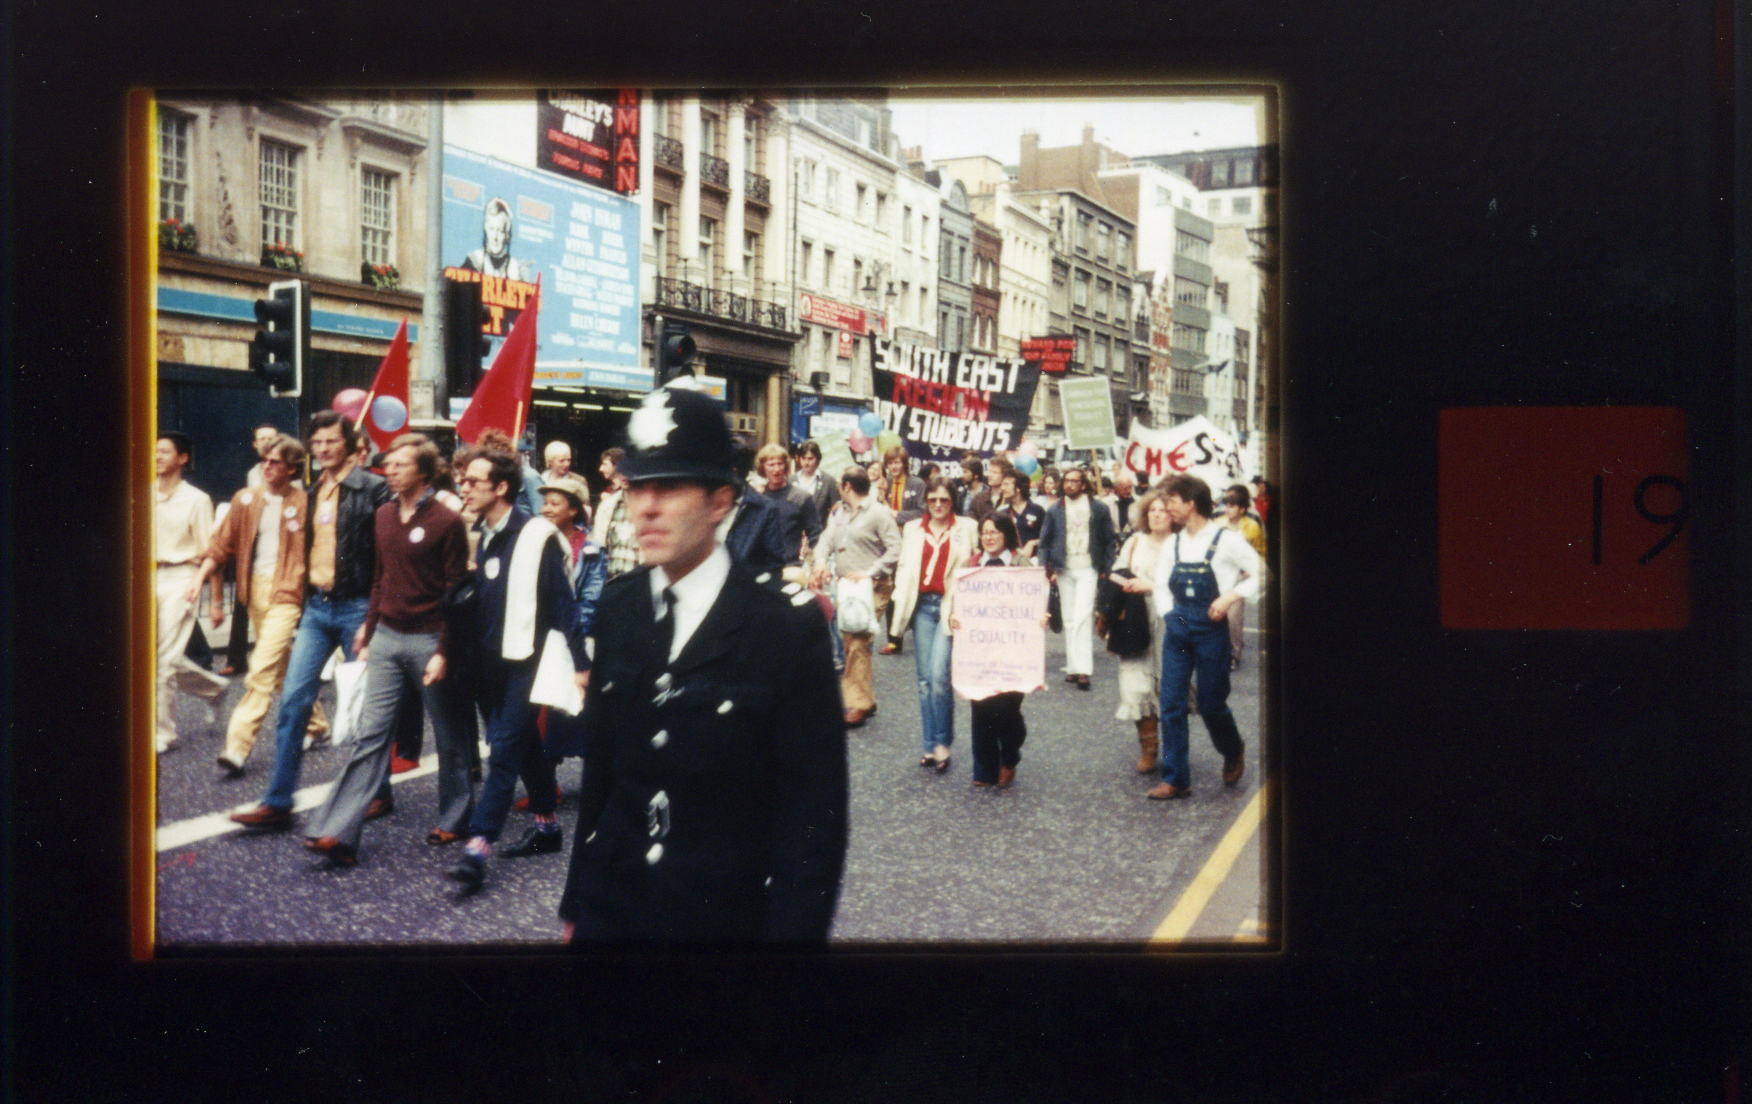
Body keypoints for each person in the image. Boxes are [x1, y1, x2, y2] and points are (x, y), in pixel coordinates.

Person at [558, 384, 847, 943]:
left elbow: (813, 822)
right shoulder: (620, 606)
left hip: (723, 923)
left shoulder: (784, 626)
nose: (646, 506)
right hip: (613, 908)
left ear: (720, 501)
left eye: (668, 487)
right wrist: (578, 901)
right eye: (636, 487)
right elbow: (604, 774)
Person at [301, 433, 473, 866]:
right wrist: (369, 626)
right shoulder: (382, 516)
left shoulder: (446, 521)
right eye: (388, 465)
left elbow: (455, 592)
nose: (390, 471)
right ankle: (337, 831)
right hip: (387, 638)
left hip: (431, 640)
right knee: (371, 735)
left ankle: (455, 817)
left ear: (424, 471)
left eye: (400, 465)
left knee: (449, 734)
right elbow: (381, 577)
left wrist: (445, 650)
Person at [230, 412, 391, 832]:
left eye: (331, 441)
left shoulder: (374, 489)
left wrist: (373, 616)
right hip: (318, 609)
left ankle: (378, 791)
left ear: (350, 445)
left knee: (364, 705)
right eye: (316, 443)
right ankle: (278, 802)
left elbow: (385, 559)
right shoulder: (313, 492)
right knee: (293, 701)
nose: (322, 449)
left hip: (358, 607)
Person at [444, 447, 591, 894]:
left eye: (474, 481)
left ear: (502, 486)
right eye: (463, 480)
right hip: (490, 661)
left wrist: (581, 665)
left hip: (529, 659)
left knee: (504, 747)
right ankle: (547, 827)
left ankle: (478, 848)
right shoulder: (484, 535)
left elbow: (564, 604)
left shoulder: (536, 535)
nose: (464, 487)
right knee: (524, 744)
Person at [184, 434, 310, 779]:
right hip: (253, 591)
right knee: (281, 665)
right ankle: (316, 723)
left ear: (292, 469)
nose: (266, 467)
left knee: (261, 668)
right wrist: (199, 581)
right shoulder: (245, 499)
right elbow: (219, 546)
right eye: (264, 460)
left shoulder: (305, 503)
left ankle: (237, 748)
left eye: (275, 462)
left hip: (287, 591)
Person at [1149, 474, 1265, 800]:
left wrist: (1230, 597)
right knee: (1171, 703)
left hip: (1212, 630)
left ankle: (1232, 748)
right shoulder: (1173, 542)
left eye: (1172, 502)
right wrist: (1171, 616)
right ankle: (1176, 778)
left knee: (1211, 704)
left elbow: (1263, 574)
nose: (1167, 508)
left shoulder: (1227, 540)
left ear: (1191, 503)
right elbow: (1161, 585)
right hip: (1178, 628)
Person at [527, 471, 608, 807]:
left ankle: (597, 784)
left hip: (572, 638)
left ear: (573, 509)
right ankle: (546, 786)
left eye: (555, 503)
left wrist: (573, 634)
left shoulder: (590, 549)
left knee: (577, 712)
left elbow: (592, 598)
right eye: (544, 502)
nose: (546, 508)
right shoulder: (536, 542)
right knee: (542, 713)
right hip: (539, 639)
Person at [888, 477, 980, 773]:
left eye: (944, 499)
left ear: (952, 501)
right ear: (925, 502)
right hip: (922, 608)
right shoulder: (913, 528)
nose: (938, 505)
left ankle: (943, 743)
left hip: (950, 607)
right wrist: (898, 602)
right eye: (932, 500)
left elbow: (975, 569)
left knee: (940, 678)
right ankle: (929, 744)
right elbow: (904, 569)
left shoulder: (967, 527)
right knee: (925, 681)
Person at [154, 432, 229, 754]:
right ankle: (214, 689)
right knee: (154, 659)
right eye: (154, 451)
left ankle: (163, 733)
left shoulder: (197, 500)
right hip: (148, 578)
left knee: (164, 660)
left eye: (164, 451)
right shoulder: (144, 495)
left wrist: (215, 600)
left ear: (183, 459)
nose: (156, 456)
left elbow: (212, 553)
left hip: (182, 578)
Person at [813, 466, 900, 728]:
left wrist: (870, 572)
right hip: (847, 588)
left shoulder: (879, 513)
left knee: (857, 642)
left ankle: (856, 704)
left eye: (841, 484)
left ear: (848, 487)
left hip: (873, 587)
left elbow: (895, 548)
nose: (839, 488)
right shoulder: (839, 512)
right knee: (851, 641)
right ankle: (865, 698)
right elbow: (826, 540)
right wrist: (820, 563)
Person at [952, 514, 1034, 789]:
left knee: (1007, 709)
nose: (989, 537)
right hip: (980, 649)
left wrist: (1040, 618)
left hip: (1014, 650)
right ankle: (985, 769)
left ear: (1006, 534)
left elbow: (1036, 601)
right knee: (981, 706)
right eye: (985, 532)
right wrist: (955, 617)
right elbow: (958, 600)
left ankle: (1009, 756)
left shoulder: (1022, 564)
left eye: (994, 532)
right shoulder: (971, 565)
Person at [1108, 490, 1173, 775]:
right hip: (1135, 618)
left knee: (1170, 683)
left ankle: (1174, 749)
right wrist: (1123, 585)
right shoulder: (1135, 541)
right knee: (1135, 683)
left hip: (1170, 621)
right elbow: (1116, 573)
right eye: (1152, 510)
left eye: (1163, 510)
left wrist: (1154, 586)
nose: (1156, 515)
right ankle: (1148, 747)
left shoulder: (1181, 544)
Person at [1038, 466, 1117, 691]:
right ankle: (1073, 667)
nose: (1069, 485)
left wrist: (1106, 566)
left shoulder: (1098, 508)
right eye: (1067, 481)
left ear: (1083, 485)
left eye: (1074, 481)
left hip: (1088, 568)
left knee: (1083, 616)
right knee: (1070, 618)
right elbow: (1045, 541)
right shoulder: (1055, 509)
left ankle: (1084, 670)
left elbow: (1109, 539)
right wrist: (1045, 567)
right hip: (1064, 568)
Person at [875, 447, 925, 655]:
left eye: (897, 462)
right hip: (888, 544)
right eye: (890, 463)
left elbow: (923, 511)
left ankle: (914, 627)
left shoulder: (917, 484)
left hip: (911, 542)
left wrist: (897, 515)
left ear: (904, 463)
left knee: (909, 587)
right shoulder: (883, 484)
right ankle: (894, 639)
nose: (894, 467)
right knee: (892, 589)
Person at [1216, 484, 1268, 670]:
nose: (1228, 509)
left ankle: (1234, 653)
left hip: (1239, 579)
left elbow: (1261, 552)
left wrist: (1250, 570)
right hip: (1219, 576)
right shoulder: (1218, 524)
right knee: (1217, 615)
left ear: (1242, 509)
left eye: (1232, 506)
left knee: (1234, 618)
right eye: (1227, 505)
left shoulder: (1252, 526)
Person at [753, 442, 822, 568]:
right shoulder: (758, 498)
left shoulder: (801, 498)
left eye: (780, 464)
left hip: (790, 567)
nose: (776, 469)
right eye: (771, 465)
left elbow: (816, 535)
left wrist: (817, 564)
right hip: (760, 568)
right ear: (763, 468)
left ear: (786, 466)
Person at [594, 447, 641, 579]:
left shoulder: (648, 505)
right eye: (621, 470)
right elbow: (599, 546)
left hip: (638, 579)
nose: (624, 475)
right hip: (611, 579)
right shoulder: (607, 506)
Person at [461, 196, 528, 281]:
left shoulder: (515, 269)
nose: (495, 237)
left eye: (500, 231)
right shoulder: (475, 260)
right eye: (492, 229)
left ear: (507, 235)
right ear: (486, 229)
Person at [994, 470, 1046, 559]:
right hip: (1010, 561)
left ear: (1018, 488)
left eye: (1006, 484)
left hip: (1033, 561)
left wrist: (1032, 543)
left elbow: (1048, 537)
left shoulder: (1037, 510)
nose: (1002, 488)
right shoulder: (1002, 513)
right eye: (1002, 484)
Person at [790, 440, 840, 530]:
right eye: (803, 458)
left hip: (819, 532)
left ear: (817, 459)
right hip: (794, 532)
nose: (806, 462)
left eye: (810, 459)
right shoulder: (790, 480)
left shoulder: (828, 481)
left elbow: (836, 510)